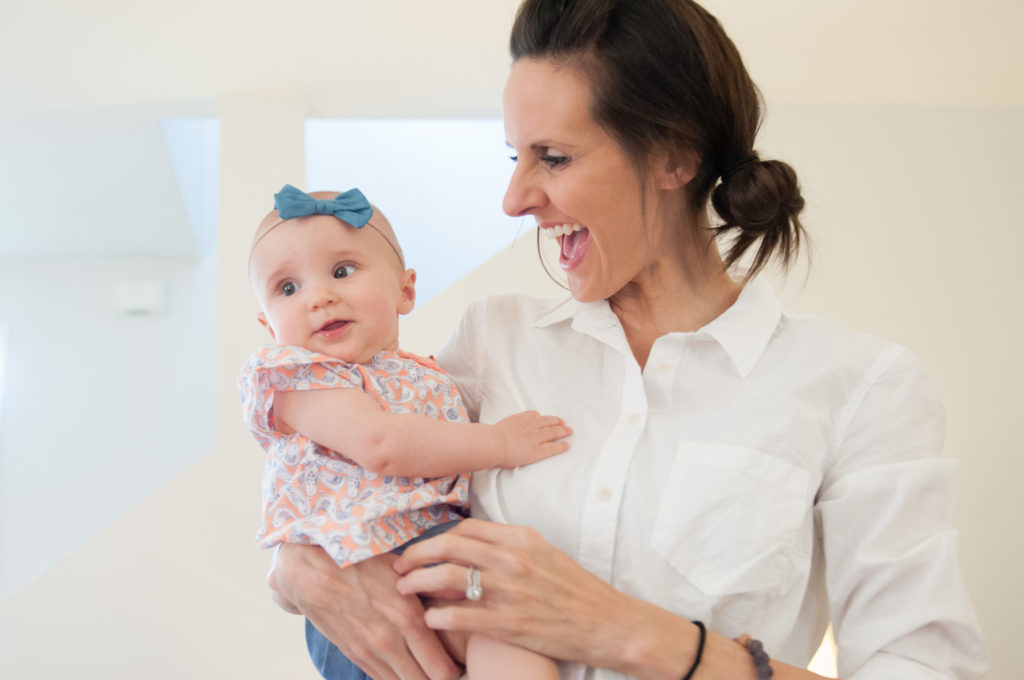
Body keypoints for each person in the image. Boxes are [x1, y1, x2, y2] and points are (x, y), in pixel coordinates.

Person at [267, 1, 989, 678]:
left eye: (553, 157)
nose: (515, 199)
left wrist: (625, 631)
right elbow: (351, 476)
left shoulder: (861, 386)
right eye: (513, 157)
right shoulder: (494, 340)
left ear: (674, 157)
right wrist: (295, 570)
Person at [239, 184, 569, 679]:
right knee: (507, 624)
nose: (319, 297)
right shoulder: (297, 376)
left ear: (405, 290)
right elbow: (382, 445)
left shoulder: (427, 372)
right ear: (269, 327)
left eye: (342, 271)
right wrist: (498, 443)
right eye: (288, 288)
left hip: (430, 549)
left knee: (516, 632)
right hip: (363, 565)